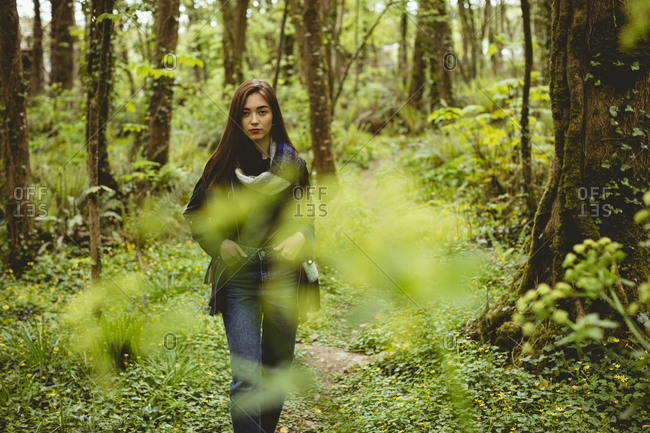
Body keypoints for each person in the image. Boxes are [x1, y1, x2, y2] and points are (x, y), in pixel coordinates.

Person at [183, 79, 318, 433]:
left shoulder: (293, 164)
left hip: (283, 276)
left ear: (273, 115)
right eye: (245, 113)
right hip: (238, 279)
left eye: (262, 111)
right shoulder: (222, 164)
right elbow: (196, 214)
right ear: (236, 119)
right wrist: (220, 245)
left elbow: (310, 214)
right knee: (247, 376)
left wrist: (302, 235)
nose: (254, 120)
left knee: (276, 370)